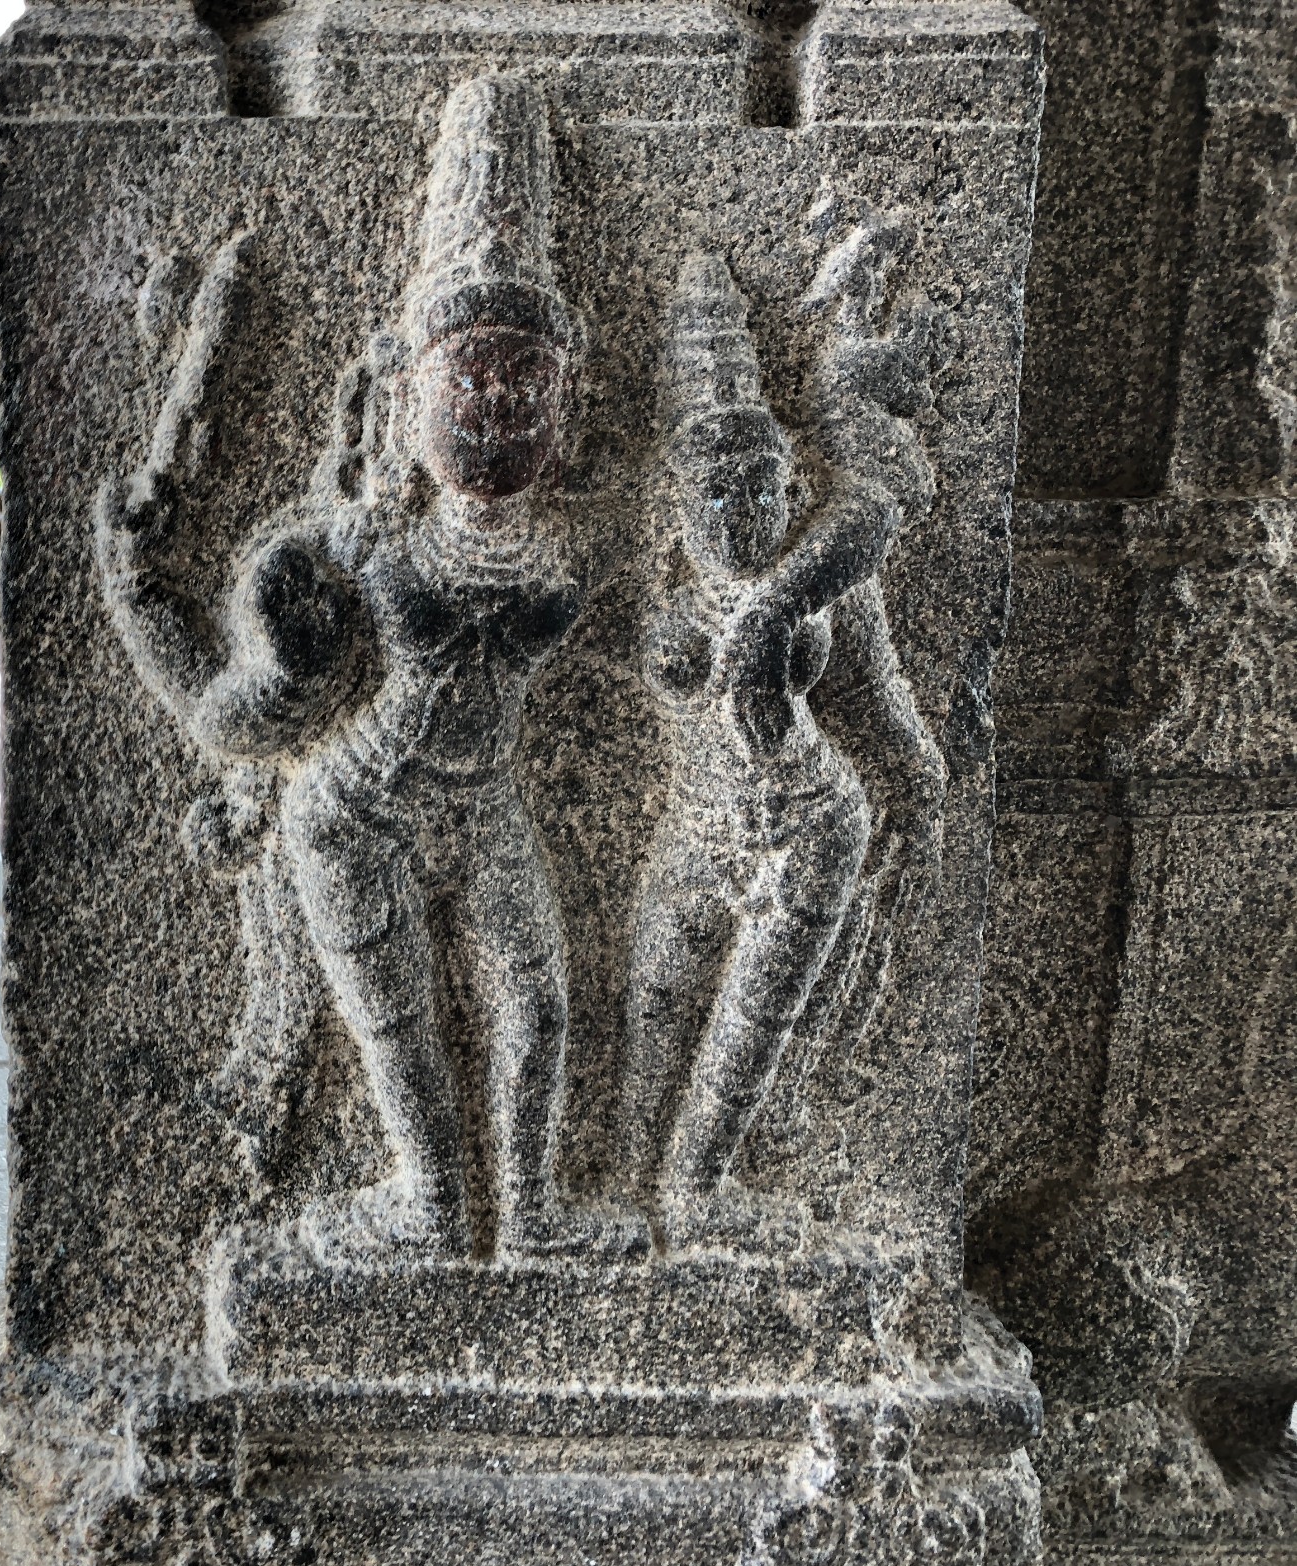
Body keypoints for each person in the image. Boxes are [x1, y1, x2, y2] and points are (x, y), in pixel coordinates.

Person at [98, 74, 635, 1264]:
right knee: (402, 1036)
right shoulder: (357, 544)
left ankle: (532, 1207)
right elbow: (230, 721)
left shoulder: (572, 544)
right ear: (403, 398)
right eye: (469, 380)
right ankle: (429, 1204)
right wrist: (144, 596)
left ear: (571, 400)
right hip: (354, 814)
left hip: (483, 800)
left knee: (539, 1004)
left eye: (524, 381)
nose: (496, 405)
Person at [622, 254, 902, 1254]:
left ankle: (699, 1187)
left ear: (789, 480)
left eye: (761, 484)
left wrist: (770, 616)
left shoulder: (812, 572)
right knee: (654, 1005)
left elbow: (875, 511)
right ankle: (622, 1182)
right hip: (696, 826)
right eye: (715, 489)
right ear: (674, 498)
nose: (741, 510)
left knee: (750, 1028)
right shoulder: (656, 583)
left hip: (813, 828)